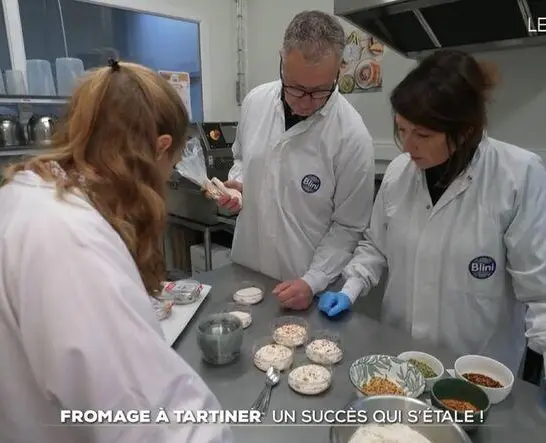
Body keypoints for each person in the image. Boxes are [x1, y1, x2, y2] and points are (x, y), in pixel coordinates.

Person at [0, 60, 233, 443]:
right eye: (172, 165)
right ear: (160, 148)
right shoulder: (71, 240)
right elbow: (151, 423)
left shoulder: (23, 194)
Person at [319, 49, 546, 377]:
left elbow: (539, 289)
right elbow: (375, 246)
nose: (408, 145)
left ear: (465, 131)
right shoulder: (398, 173)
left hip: (476, 370)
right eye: (402, 130)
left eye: (423, 135)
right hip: (400, 356)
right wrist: (349, 288)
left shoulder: (518, 176)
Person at [217, 10, 375, 310]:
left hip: (303, 287)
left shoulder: (352, 137)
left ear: (338, 70)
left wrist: (312, 280)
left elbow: (348, 227)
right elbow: (241, 158)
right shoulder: (255, 102)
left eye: (320, 91)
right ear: (282, 59)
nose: (305, 102)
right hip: (247, 270)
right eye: (296, 88)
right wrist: (237, 185)